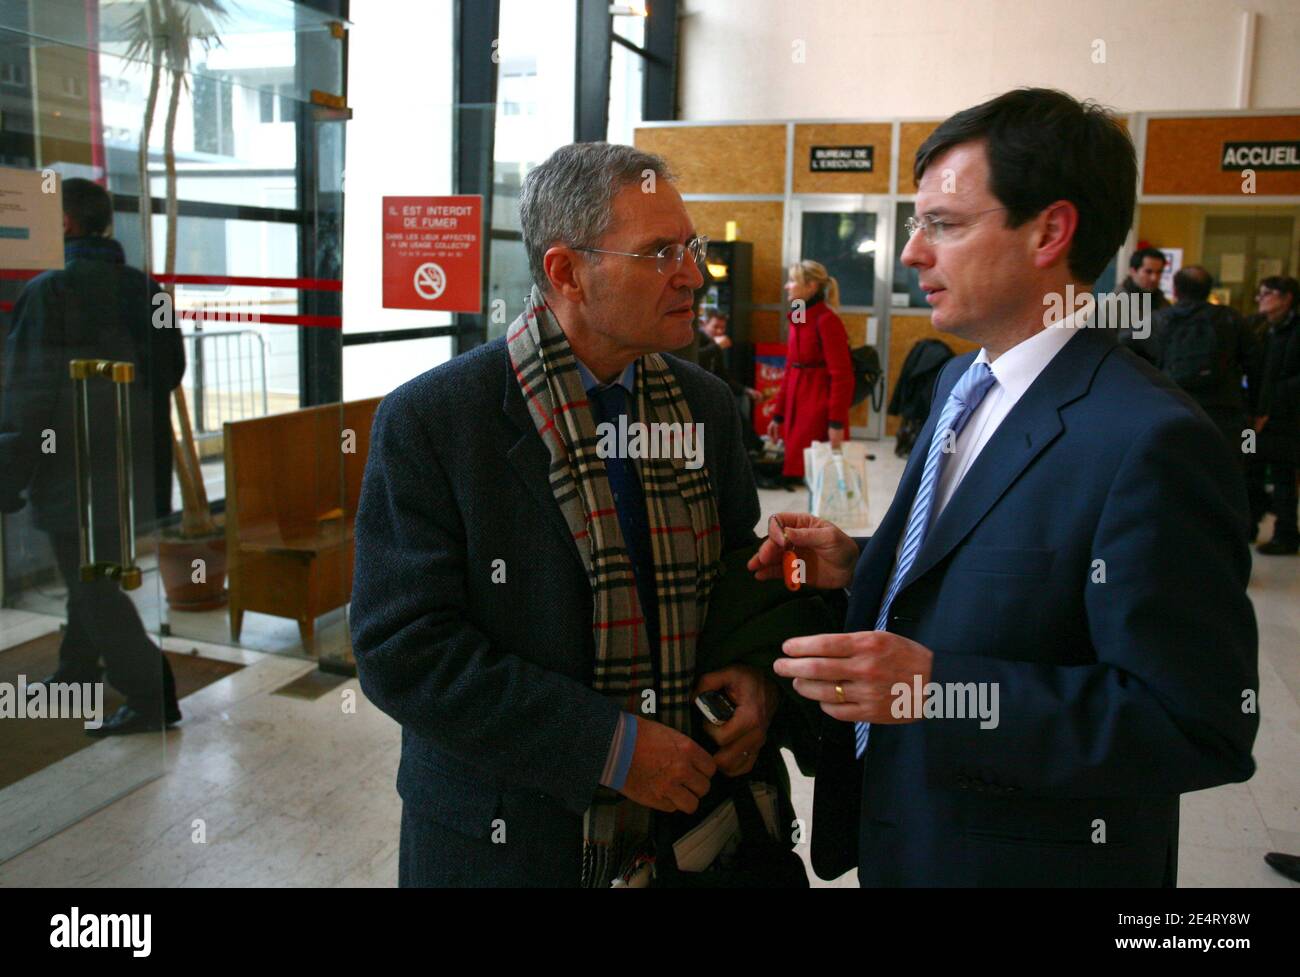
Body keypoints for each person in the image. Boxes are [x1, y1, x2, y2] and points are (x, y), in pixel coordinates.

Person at [750, 88, 1258, 887]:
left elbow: (1197, 724)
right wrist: (865, 561)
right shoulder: (963, 378)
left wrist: (940, 693)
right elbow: (991, 556)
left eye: (943, 225)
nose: (913, 253)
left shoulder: (1151, 439)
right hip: (906, 832)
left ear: (1050, 231)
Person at [350, 142, 787, 887]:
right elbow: (404, 648)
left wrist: (754, 675)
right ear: (566, 273)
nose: (693, 274)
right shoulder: (437, 420)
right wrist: (608, 749)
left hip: (691, 829)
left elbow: (733, 577)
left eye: (692, 247)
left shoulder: (704, 405)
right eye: (658, 254)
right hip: (510, 842)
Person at [0, 177, 185, 735]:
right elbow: (169, 372)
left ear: (65, 224)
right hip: (132, 468)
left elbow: (28, 395)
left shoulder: (49, 291)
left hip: (71, 470)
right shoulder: (148, 290)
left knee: (94, 584)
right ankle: (76, 670)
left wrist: (9, 473)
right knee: (93, 570)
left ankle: (153, 693)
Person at [767, 260, 854, 483]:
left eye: (793, 281)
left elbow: (842, 376)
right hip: (798, 400)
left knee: (820, 475)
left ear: (811, 286)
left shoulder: (827, 320)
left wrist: (836, 423)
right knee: (803, 471)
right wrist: (778, 415)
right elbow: (790, 366)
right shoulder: (798, 312)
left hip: (817, 405)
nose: (787, 286)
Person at [1147, 265, 1252, 451]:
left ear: (1175, 290)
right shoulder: (1231, 319)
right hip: (1223, 409)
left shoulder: (1158, 320)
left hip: (1171, 406)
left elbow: (1130, 352)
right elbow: (1255, 363)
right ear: (1208, 290)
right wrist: (1256, 408)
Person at [1246, 275, 1300, 555]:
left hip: (1282, 417)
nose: (1260, 298)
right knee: (1249, 470)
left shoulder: (1295, 330)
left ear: (1286, 297)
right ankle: (1249, 525)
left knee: (1282, 475)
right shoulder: (1256, 326)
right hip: (1251, 415)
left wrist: (1271, 404)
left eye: (1267, 293)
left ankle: (1287, 533)